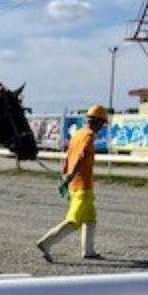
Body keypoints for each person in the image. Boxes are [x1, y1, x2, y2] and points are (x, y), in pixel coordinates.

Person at [36, 103, 109, 262]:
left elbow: (68, 157)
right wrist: (70, 175)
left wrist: (65, 177)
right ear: (97, 121)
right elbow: (81, 157)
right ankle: (46, 242)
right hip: (82, 185)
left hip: (75, 185)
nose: (102, 127)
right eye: (102, 123)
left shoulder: (77, 134)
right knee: (74, 220)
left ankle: (88, 251)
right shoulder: (89, 136)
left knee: (90, 218)